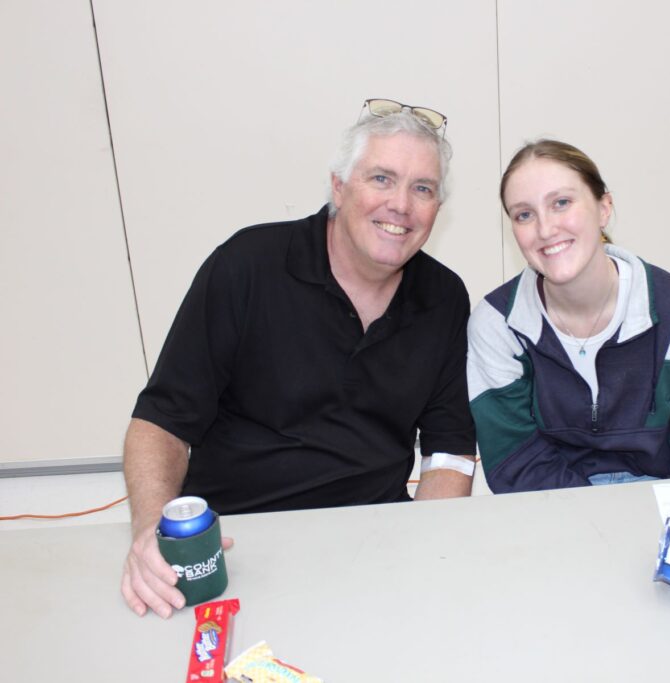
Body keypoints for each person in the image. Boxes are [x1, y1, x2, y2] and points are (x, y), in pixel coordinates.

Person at [122, 99, 477, 618]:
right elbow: (161, 423)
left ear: (436, 211)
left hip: (372, 542)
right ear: (338, 187)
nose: (401, 204)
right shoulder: (246, 266)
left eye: (422, 188)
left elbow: (448, 451)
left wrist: (419, 553)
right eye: (381, 178)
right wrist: (153, 533)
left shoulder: (443, 298)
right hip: (235, 546)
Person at [467, 139, 670, 493]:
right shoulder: (497, 325)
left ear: (604, 208)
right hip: (552, 506)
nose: (545, 229)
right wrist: (596, 524)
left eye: (562, 203)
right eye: (524, 214)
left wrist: (653, 519)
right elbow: (514, 463)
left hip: (661, 495)